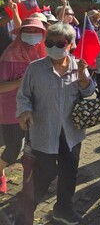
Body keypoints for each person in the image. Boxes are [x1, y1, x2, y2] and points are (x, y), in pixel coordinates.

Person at [16, 23, 96, 225]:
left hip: (71, 132)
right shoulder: (35, 68)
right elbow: (23, 95)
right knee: (44, 174)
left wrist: (83, 77)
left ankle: (63, 209)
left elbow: (89, 93)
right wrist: (25, 111)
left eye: (60, 43)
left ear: (71, 44)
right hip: (44, 130)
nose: (54, 46)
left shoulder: (79, 66)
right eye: (50, 42)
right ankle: (24, 214)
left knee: (70, 171)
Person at [0, 18, 46, 194]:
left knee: (34, 148)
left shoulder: (43, 53)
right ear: (20, 34)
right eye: (29, 31)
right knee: (13, 150)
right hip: (11, 110)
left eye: (37, 32)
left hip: (35, 109)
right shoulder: (8, 56)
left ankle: (33, 180)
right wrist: (22, 81)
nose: (33, 35)